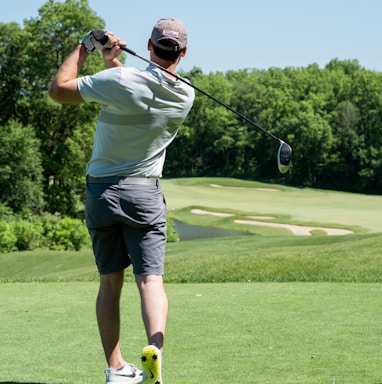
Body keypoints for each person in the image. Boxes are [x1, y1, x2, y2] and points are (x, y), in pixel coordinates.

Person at [48, 17, 194, 384]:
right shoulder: (186, 94)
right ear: (184, 52)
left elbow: (59, 89)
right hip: (144, 193)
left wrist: (86, 47)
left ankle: (116, 369)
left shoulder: (120, 81)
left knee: (110, 282)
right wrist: (113, 61)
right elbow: (142, 90)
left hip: (101, 191)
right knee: (151, 281)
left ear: (149, 45)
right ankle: (155, 349)